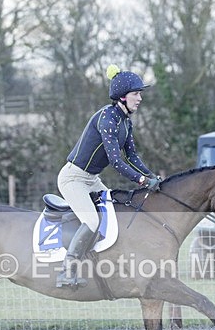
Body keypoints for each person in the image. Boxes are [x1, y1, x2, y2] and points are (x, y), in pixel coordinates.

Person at [56, 64, 161, 289]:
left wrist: (152, 176)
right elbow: (116, 161)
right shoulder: (107, 118)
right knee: (92, 221)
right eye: (136, 94)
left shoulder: (126, 122)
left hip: (91, 179)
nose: (140, 98)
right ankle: (67, 271)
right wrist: (142, 181)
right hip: (73, 179)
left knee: (114, 213)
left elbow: (132, 157)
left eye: (140, 93)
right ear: (122, 97)